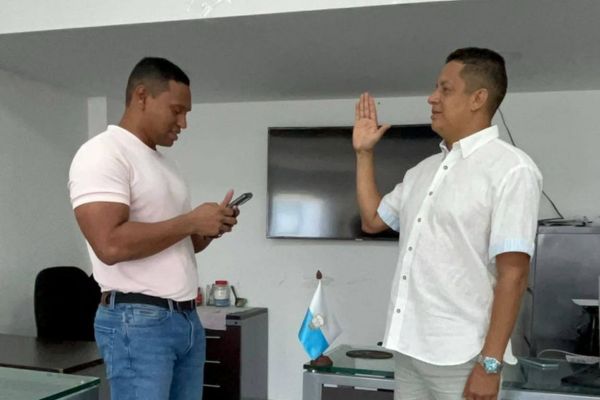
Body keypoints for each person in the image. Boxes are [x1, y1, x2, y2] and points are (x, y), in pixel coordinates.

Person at [353, 48, 542, 400]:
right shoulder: (422, 171)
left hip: (463, 358)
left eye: (445, 89)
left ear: (478, 98)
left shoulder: (511, 169)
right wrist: (364, 153)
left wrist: (490, 364)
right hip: (408, 348)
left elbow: (514, 275)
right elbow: (372, 220)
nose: (432, 97)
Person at [68, 57, 238, 400]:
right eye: (177, 110)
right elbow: (109, 245)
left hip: (185, 319)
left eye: (186, 113)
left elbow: (178, 242)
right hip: (137, 320)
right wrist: (190, 220)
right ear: (142, 96)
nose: (183, 123)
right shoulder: (103, 153)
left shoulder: (165, 165)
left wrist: (206, 230)